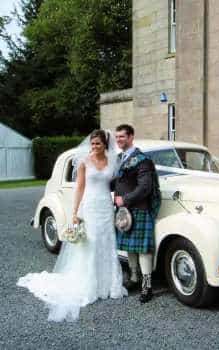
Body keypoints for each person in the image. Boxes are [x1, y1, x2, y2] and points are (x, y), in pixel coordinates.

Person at [17, 130, 127, 322]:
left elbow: (117, 183)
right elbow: (80, 188)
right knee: (91, 244)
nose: (94, 147)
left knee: (107, 243)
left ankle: (109, 285)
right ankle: (90, 286)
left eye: (98, 144)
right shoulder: (84, 161)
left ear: (105, 144)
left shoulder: (112, 161)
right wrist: (75, 212)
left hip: (105, 207)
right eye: (92, 144)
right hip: (90, 206)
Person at [112, 124, 161, 304]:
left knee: (143, 250)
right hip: (124, 212)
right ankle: (134, 278)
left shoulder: (142, 160)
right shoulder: (118, 159)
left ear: (131, 137)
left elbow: (145, 187)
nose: (119, 140)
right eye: (117, 137)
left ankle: (147, 287)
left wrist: (125, 199)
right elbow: (115, 182)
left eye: (122, 137)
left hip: (139, 209)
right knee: (130, 248)